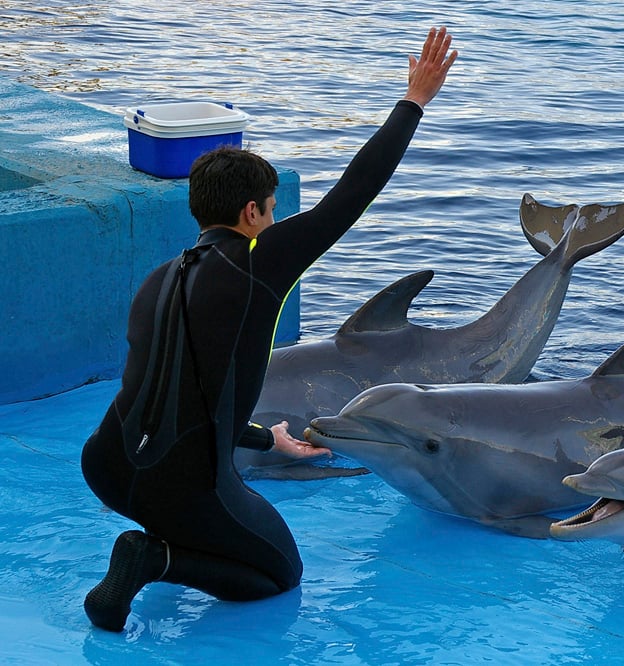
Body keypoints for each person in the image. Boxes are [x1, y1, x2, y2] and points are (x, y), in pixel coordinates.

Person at [79, 27, 458, 632]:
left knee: (183, 495)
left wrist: (264, 440)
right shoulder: (256, 260)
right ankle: (157, 556)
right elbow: (353, 193)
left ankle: (162, 531)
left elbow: (172, 394)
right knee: (279, 572)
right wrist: (415, 101)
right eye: (274, 208)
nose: (277, 218)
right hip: (178, 480)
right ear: (252, 213)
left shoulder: (160, 278)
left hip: (105, 464)